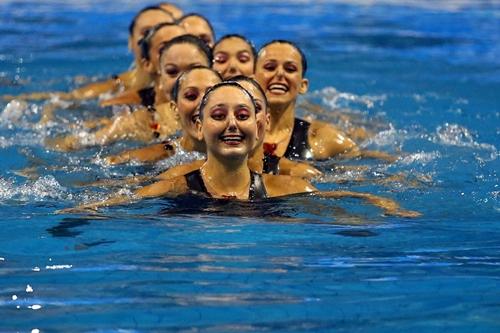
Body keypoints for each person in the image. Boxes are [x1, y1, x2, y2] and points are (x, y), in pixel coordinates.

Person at [62, 82, 419, 218]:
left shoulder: (289, 187)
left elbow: (340, 202)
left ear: (260, 127)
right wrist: (79, 214)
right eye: (219, 115)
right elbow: (110, 205)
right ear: (199, 127)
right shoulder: (174, 187)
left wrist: (380, 203)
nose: (232, 124)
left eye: (243, 115)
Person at [46, 35, 212, 151]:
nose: (183, 79)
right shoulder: (142, 120)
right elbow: (73, 144)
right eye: (172, 71)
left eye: (195, 69)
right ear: (159, 75)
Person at [255, 40, 395, 162]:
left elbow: (366, 164)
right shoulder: (237, 133)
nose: (279, 74)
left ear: (303, 86)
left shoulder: (322, 139)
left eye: (290, 69)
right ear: (252, 79)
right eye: (270, 67)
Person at [2, 6, 175, 102]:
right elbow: (65, 99)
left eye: (164, 32)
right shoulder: (118, 89)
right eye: (147, 32)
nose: (154, 40)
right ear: (130, 41)